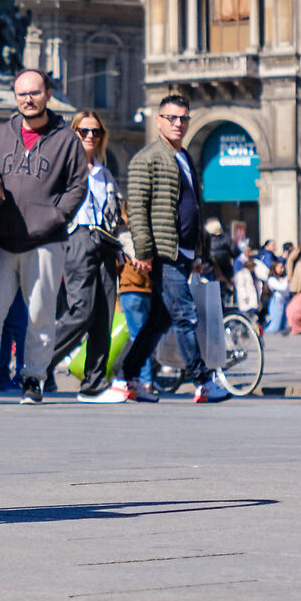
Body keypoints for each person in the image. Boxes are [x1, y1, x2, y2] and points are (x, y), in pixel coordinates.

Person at [0, 68, 88, 403]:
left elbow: (78, 185)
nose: (28, 99)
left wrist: (55, 216)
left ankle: (33, 378)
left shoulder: (66, 138)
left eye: (34, 92)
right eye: (22, 93)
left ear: (48, 95)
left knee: (41, 314)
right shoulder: (0, 135)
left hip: (45, 241)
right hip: (2, 240)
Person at [118, 91, 220, 402]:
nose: (178, 123)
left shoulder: (185, 156)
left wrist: (198, 252)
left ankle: (129, 376)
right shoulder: (146, 159)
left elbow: (193, 207)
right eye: (171, 118)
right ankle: (202, 382)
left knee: (160, 320)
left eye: (183, 118)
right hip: (165, 252)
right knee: (185, 315)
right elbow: (137, 208)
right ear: (159, 121)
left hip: (185, 253)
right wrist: (145, 251)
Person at [52, 112, 128, 402]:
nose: (90, 137)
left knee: (103, 314)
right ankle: (35, 364)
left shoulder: (104, 173)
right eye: (83, 131)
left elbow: (116, 214)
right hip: (78, 238)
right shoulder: (64, 170)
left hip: (106, 243)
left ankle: (94, 383)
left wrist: (123, 247)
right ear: (73, 134)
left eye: (95, 132)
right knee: (80, 310)